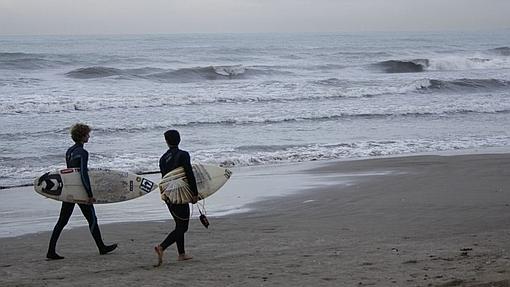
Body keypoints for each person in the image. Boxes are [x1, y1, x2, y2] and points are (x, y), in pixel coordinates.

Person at [46, 123, 117, 260]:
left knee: (62, 221)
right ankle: (101, 247)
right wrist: (89, 194)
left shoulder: (69, 151)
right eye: (87, 134)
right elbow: (83, 174)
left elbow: (69, 173)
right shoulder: (83, 152)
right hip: (80, 191)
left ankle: (51, 250)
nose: (89, 136)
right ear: (82, 136)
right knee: (92, 218)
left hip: (69, 190)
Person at [154, 129, 198, 267]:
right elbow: (189, 174)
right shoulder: (183, 155)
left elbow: (165, 179)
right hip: (181, 193)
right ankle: (162, 247)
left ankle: (181, 254)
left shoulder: (162, 159)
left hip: (168, 194)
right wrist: (195, 193)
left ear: (166, 141)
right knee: (183, 227)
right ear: (179, 139)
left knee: (179, 224)